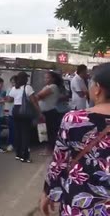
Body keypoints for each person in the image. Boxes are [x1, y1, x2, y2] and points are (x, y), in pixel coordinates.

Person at [40, 62, 110, 216]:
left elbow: (59, 161)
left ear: (98, 88)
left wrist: (49, 192)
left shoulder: (74, 119)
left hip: (80, 203)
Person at [7, 72, 41, 163]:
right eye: (26, 78)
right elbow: (34, 101)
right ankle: (25, 156)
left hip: (16, 111)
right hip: (25, 112)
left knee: (18, 133)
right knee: (25, 134)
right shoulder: (28, 87)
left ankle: (18, 154)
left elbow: (9, 100)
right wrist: (39, 112)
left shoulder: (14, 88)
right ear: (25, 79)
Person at [36, 71, 65, 153]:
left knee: (50, 131)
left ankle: (50, 149)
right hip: (46, 111)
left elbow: (39, 96)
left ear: (53, 79)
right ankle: (49, 148)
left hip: (49, 112)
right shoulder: (47, 86)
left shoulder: (53, 87)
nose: (45, 79)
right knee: (46, 131)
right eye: (45, 77)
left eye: (48, 77)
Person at [4, 76, 17, 152]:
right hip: (11, 111)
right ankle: (10, 143)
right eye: (12, 82)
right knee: (11, 128)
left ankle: (16, 144)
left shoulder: (20, 89)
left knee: (17, 129)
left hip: (18, 112)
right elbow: (8, 99)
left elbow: (9, 98)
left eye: (14, 82)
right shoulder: (9, 89)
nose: (13, 84)